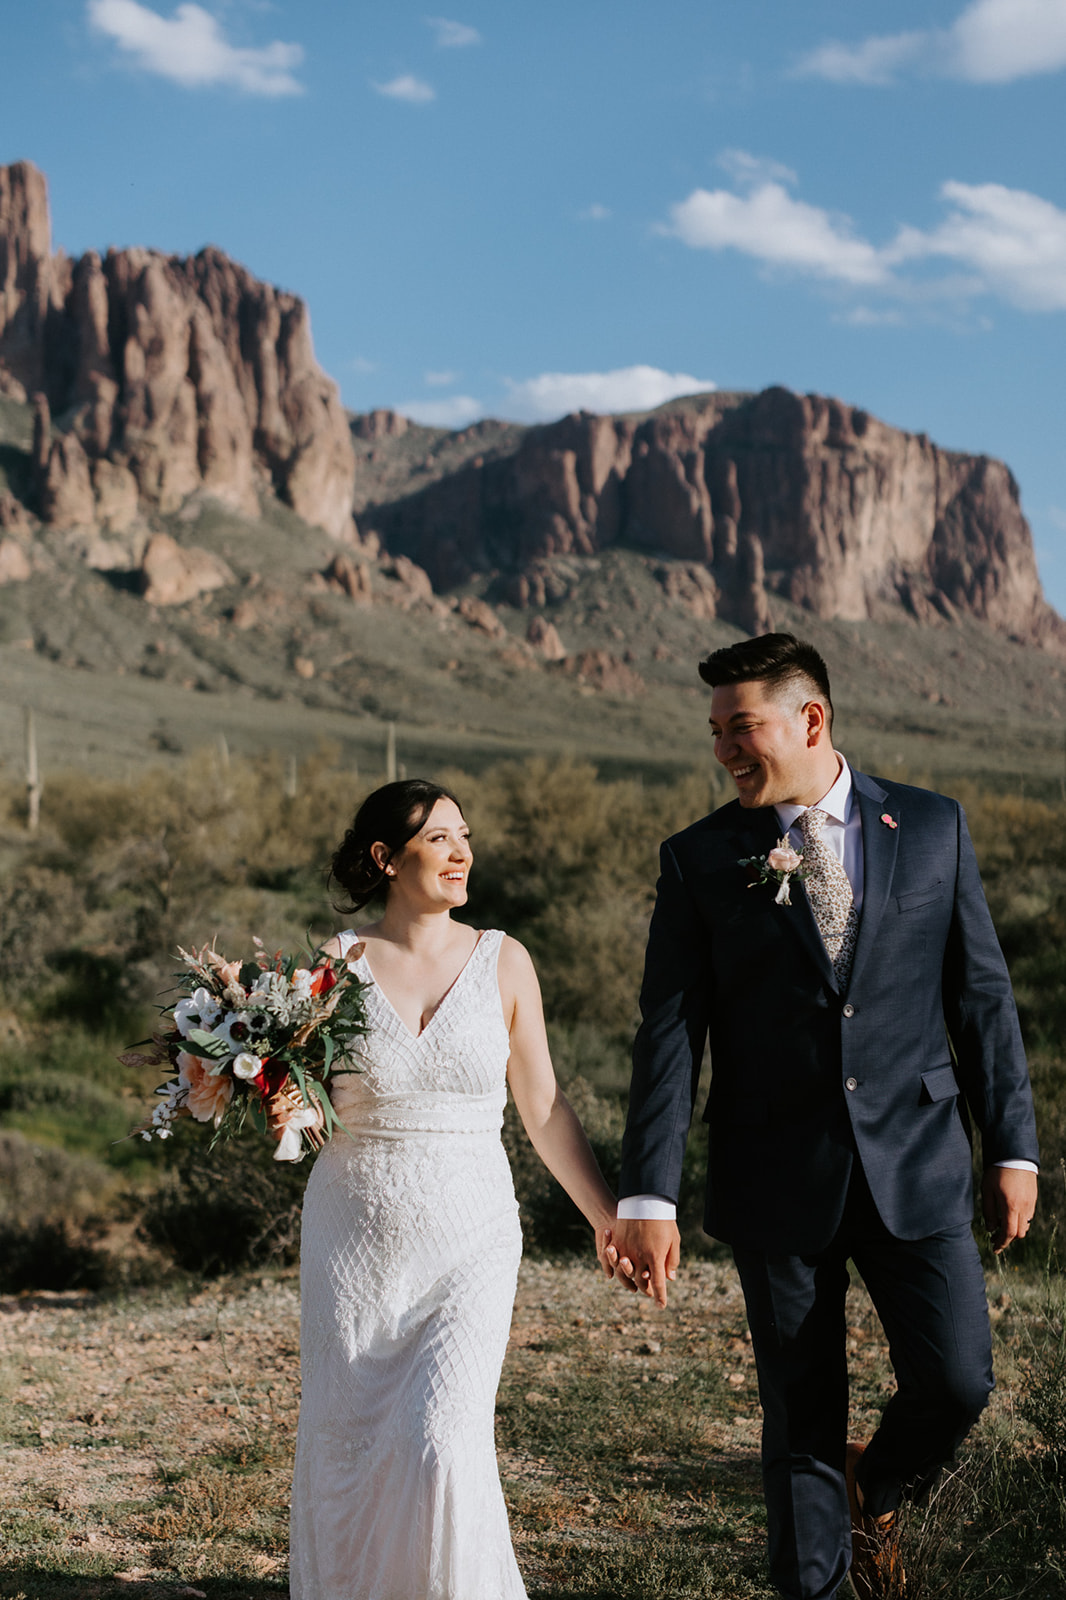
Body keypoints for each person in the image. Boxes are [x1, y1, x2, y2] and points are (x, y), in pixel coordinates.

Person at [606, 633, 1038, 1600]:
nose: (724, 748)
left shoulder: (933, 827)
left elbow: (983, 998)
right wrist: (649, 1193)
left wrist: (1015, 1148)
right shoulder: (700, 859)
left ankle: (872, 1482)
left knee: (959, 1382)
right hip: (774, 1172)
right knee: (799, 1411)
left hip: (919, 1162)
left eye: (741, 726)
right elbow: (668, 1037)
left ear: (811, 719)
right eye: (714, 731)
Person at [270, 778, 616, 1600]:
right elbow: (302, 1106)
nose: (462, 852)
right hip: (354, 1240)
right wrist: (284, 1101)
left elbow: (542, 1105)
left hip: (472, 1236)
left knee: (440, 1440)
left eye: (465, 835)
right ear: (387, 859)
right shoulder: (334, 965)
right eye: (439, 839)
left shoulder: (504, 958)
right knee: (350, 1440)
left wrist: (608, 1215)